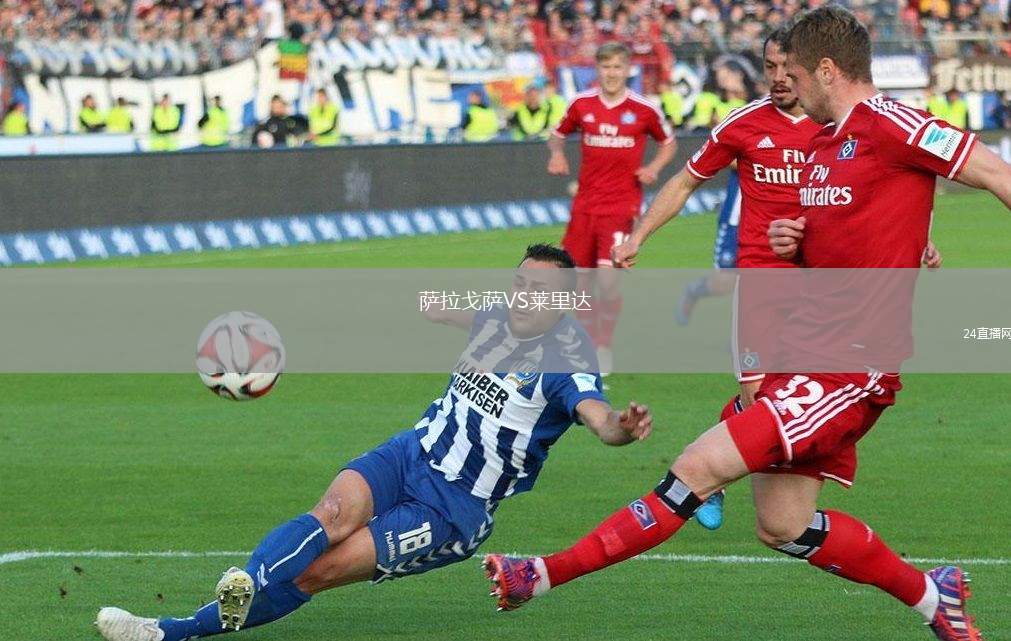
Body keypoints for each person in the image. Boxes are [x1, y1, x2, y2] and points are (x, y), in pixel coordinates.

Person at [486, 8, 1011, 641]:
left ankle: (540, 575)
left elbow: (996, 174)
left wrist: (910, 244)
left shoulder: (894, 123)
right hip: (800, 352)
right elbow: (851, 234)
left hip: (850, 365)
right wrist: (800, 240)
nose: (787, 86)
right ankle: (933, 596)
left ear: (825, 69)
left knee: (696, 469)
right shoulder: (822, 145)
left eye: (795, 73)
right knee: (781, 525)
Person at [95, 244, 654, 641]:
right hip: (410, 453)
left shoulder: (567, 361)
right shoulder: (495, 316)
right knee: (331, 513)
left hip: (453, 507)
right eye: (520, 284)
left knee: (317, 572)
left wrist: (621, 428)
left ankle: (177, 628)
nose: (524, 297)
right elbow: (454, 313)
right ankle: (233, 590)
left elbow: (598, 417)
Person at [548, 41, 676, 375]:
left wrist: (654, 168)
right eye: (606, 67)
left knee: (607, 281)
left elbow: (668, 143)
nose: (611, 73)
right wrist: (557, 154)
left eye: (618, 67)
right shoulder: (581, 104)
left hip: (621, 206)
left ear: (627, 70)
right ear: (598, 69)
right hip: (584, 206)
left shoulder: (644, 109)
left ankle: (602, 346)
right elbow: (557, 134)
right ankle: (580, 342)